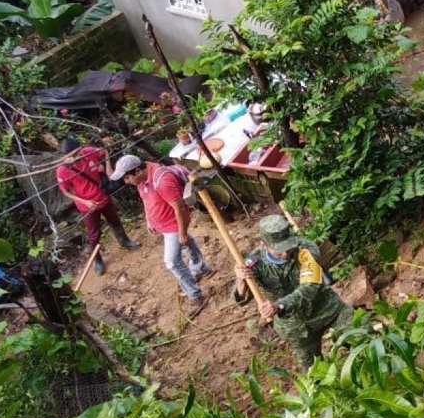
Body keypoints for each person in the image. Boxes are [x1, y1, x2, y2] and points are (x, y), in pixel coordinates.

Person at [233, 215, 354, 370]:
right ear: (263, 244)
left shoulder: (306, 249)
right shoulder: (255, 263)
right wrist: (241, 280)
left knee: (361, 333)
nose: (285, 254)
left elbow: (309, 288)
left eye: (288, 247)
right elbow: (240, 298)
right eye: (279, 250)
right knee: (315, 372)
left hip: (327, 309)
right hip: (296, 328)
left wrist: (279, 305)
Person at [109, 155, 211, 316]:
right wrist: (150, 219)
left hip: (173, 225)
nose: (126, 181)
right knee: (186, 244)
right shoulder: (142, 178)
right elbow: (146, 198)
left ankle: (195, 296)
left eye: (127, 177)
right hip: (163, 224)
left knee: (172, 262)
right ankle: (201, 268)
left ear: (137, 171)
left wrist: (182, 232)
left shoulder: (162, 180)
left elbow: (179, 208)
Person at [56, 137, 140, 276]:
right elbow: (65, 191)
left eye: (75, 154)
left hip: (103, 196)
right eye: (70, 157)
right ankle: (98, 260)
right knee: (93, 234)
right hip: (87, 205)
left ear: (80, 149)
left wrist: (108, 169)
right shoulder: (62, 170)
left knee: (115, 221)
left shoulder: (89, 152)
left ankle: (124, 241)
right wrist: (84, 202)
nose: (74, 158)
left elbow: (105, 152)